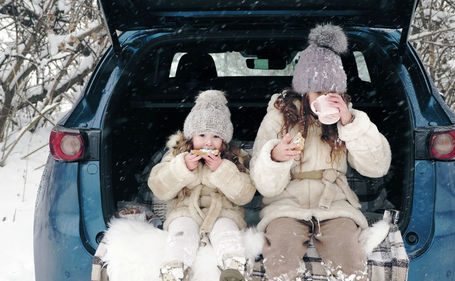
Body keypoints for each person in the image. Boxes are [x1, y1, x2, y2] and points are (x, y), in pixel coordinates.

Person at [249, 24, 391, 281]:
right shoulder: (277, 118)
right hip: (285, 204)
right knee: (281, 257)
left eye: (332, 92)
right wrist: (275, 158)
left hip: (335, 203)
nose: (325, 97)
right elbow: (264, 185)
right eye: (318, 92)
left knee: (349, 260)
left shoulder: (350, 119)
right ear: (303, 91)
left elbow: (377, 166)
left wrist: (351, 124)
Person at [148, 90, 256, 281]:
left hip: (224, 210)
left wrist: (222, 170)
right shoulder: (177, 155)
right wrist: (183, 167)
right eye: (202, 135)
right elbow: (158, 187)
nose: (209, 142)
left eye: (216, 137)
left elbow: (245, 194)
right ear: (191, 137)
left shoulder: (235, 158)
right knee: (181, 233)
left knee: (227, 233)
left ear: (224, 142)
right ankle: (175, 269)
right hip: (185, 210)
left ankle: (234, 267)